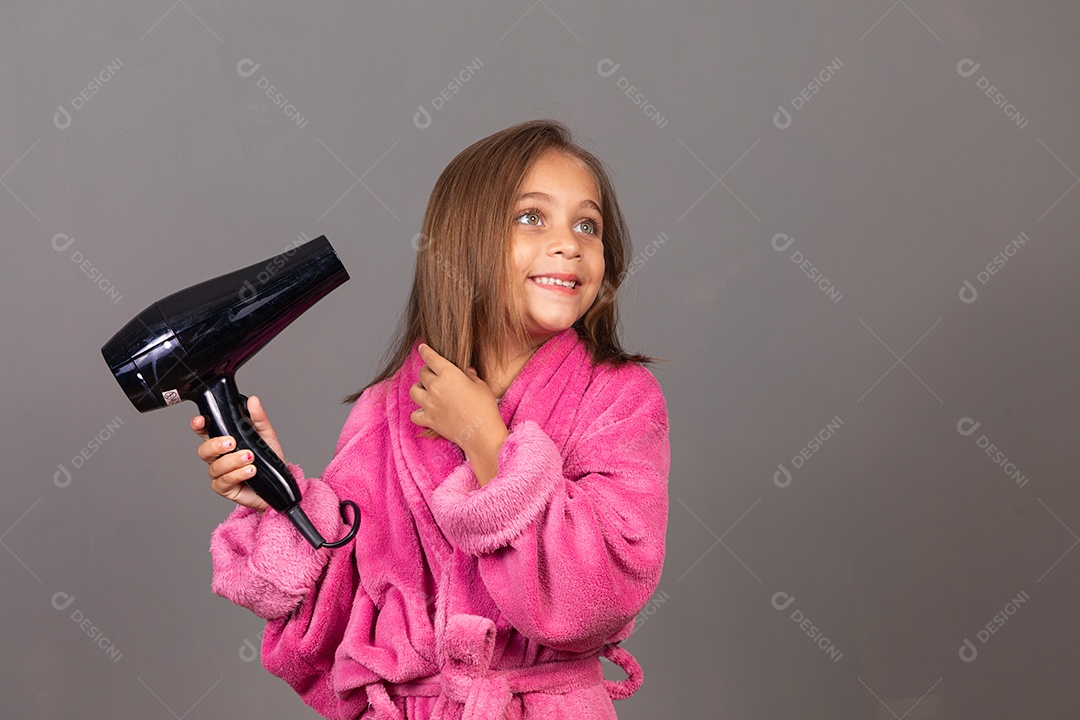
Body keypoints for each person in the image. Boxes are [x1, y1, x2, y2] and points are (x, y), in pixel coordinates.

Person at [191, 119, 671, 719]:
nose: (568, 242)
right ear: (464, 239)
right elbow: (339, 617)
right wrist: (278, 500)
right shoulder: (389, 408)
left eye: (587, 224)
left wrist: (485, 439)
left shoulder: (618, 398)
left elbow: (597, 595)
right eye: (532, 217)